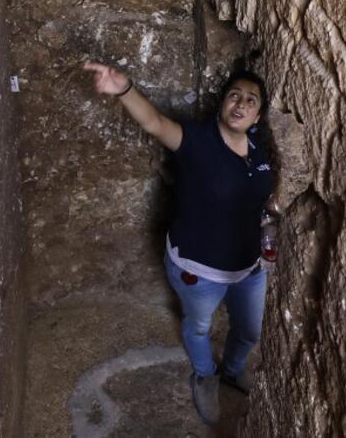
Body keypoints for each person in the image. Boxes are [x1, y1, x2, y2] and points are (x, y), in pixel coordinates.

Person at [83, 60, 277, 426]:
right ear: (221, 102)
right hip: (199, 268)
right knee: (200, 326)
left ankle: (233, 371)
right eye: (234, 95)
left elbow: (257, 197)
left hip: (249, 266)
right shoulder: (197, 141)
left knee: (249, 331)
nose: (240, 103)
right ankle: (205, 374)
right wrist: (123, 89)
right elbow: (154, 123)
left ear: (259, 113)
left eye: (250, 100)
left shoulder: (259, 147)